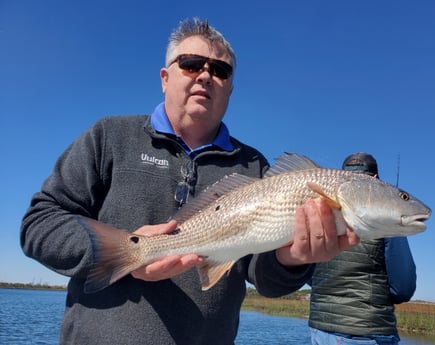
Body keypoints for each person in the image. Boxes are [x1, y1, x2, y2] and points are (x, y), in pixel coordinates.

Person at [20, 18, 358, 345]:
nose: (206, 76)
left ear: (230, 89)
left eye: (220, 70)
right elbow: (39, 224)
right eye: (192, 64)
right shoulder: (109, 136)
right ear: (165, 77)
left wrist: (294, 259)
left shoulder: (255, 166)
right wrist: (126, 251)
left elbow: (263, 275)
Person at [308, 152, 417, 345]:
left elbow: (309, 277)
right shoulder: (387, 222)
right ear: (375, 179)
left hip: (320, 330)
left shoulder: (321, 212)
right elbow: (403, 288)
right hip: (368, 332)